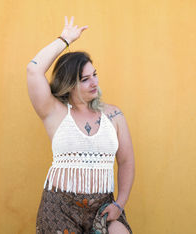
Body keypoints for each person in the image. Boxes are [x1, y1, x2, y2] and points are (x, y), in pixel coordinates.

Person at [27, 16, 135, 234]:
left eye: (94, 75)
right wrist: (65, 40)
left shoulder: (114, 115)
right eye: (85, 79)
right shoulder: (54, 111)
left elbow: (126, 161)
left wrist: (119, 204)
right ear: (69, 84)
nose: (94, 82)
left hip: (103, 207)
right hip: (60, 208)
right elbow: (33, 70)